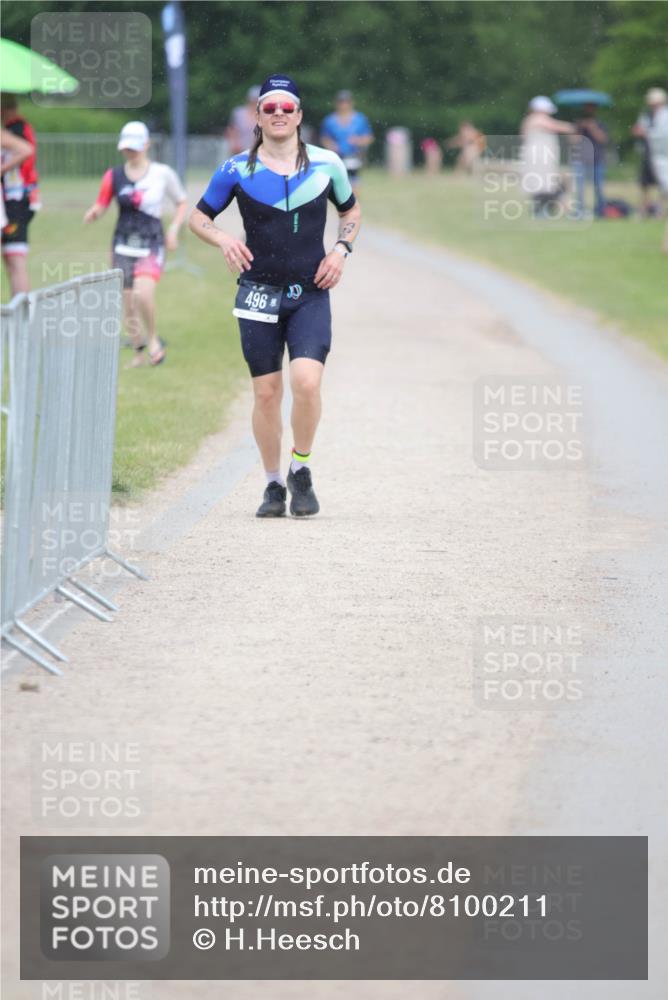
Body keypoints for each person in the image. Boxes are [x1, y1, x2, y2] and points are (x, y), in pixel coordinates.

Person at [190, 74, 361, 518]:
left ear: (300, 116)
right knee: (266, 393)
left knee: (306, 382)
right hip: (258, 293)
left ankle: (300, 468)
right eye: (271, 108)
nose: (279, 114)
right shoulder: (235, 169)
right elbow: (198, 217)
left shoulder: (328, 164)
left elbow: (350, 210)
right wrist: (223, 239)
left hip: (309, 292)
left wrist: (341, 250)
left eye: (288, 108)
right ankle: (271, 485)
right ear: (258, 117)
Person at [83, 121, 187, 367]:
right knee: (128, 303)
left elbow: (181, 202)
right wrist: (94, 212)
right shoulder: (113, 175)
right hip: (122, 243)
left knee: (143, 292)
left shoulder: (162, 173)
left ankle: (153, 340)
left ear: (146, 145)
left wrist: (173, 230)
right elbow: (102, 202)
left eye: (135, 147)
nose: (130, 152)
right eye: (127, 148)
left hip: (152, 242)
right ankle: (139, 352)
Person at [1, 94, 39, 295]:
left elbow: (26, 151)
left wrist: (2, 168)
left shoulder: (15, 129)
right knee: (11, 259)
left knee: (15, 259)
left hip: (14, 200)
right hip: (14, 200)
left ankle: (21, 313)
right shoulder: (19, 128)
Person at [520, 96, 575, 218]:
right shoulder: (535, 119)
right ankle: (545, 210)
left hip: (542, 158)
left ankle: (545, 210)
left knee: (546, 185)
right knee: (544, 185)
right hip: (539, 159)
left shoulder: (532, 119)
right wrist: (572, 127)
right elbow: (556, 126)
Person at [320, 90, 373, 187]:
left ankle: (354, 202)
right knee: (337, 186)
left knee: (353, 185)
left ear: (351, 103)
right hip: (336, 158)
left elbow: (369, 138)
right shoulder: (329, 121)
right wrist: (331, 145)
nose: (344, 105)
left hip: (354, 156)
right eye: (341, 102)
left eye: (346, 102)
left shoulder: (360, 119)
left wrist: (358, 141)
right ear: (336, 103)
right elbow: (324, 139)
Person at [574, 102, 608, 218]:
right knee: (580, 188)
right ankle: (580, 211)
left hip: (597, 159)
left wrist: (593, 128)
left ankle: (601, 211)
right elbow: (574, 141)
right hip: (580, 159)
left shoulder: (600, 123)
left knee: (598, 186)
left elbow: (603, 139)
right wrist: (580, 129)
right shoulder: (578, 123)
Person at [226, 85, 261, 155]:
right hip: (239, 150)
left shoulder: (264, 114)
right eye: (253, 99)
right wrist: (234, 144)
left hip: (257, 151)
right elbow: (231, 130)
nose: (255, 102)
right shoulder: (239, 113)